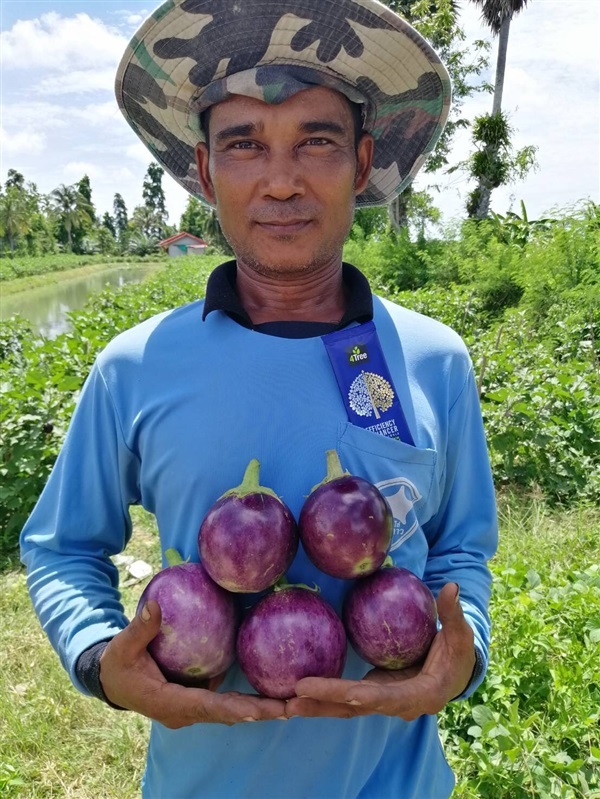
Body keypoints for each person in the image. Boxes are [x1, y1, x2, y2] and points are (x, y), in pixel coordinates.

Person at [20, 1, 498, 797]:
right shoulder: (134, 366)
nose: (282, 180)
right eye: (245, 144)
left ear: (362, 160)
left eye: (318, 140)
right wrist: (103, 660)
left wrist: (461, 655)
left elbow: (460, 551)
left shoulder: (434, 361)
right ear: (206, 172)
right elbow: (62, 547)